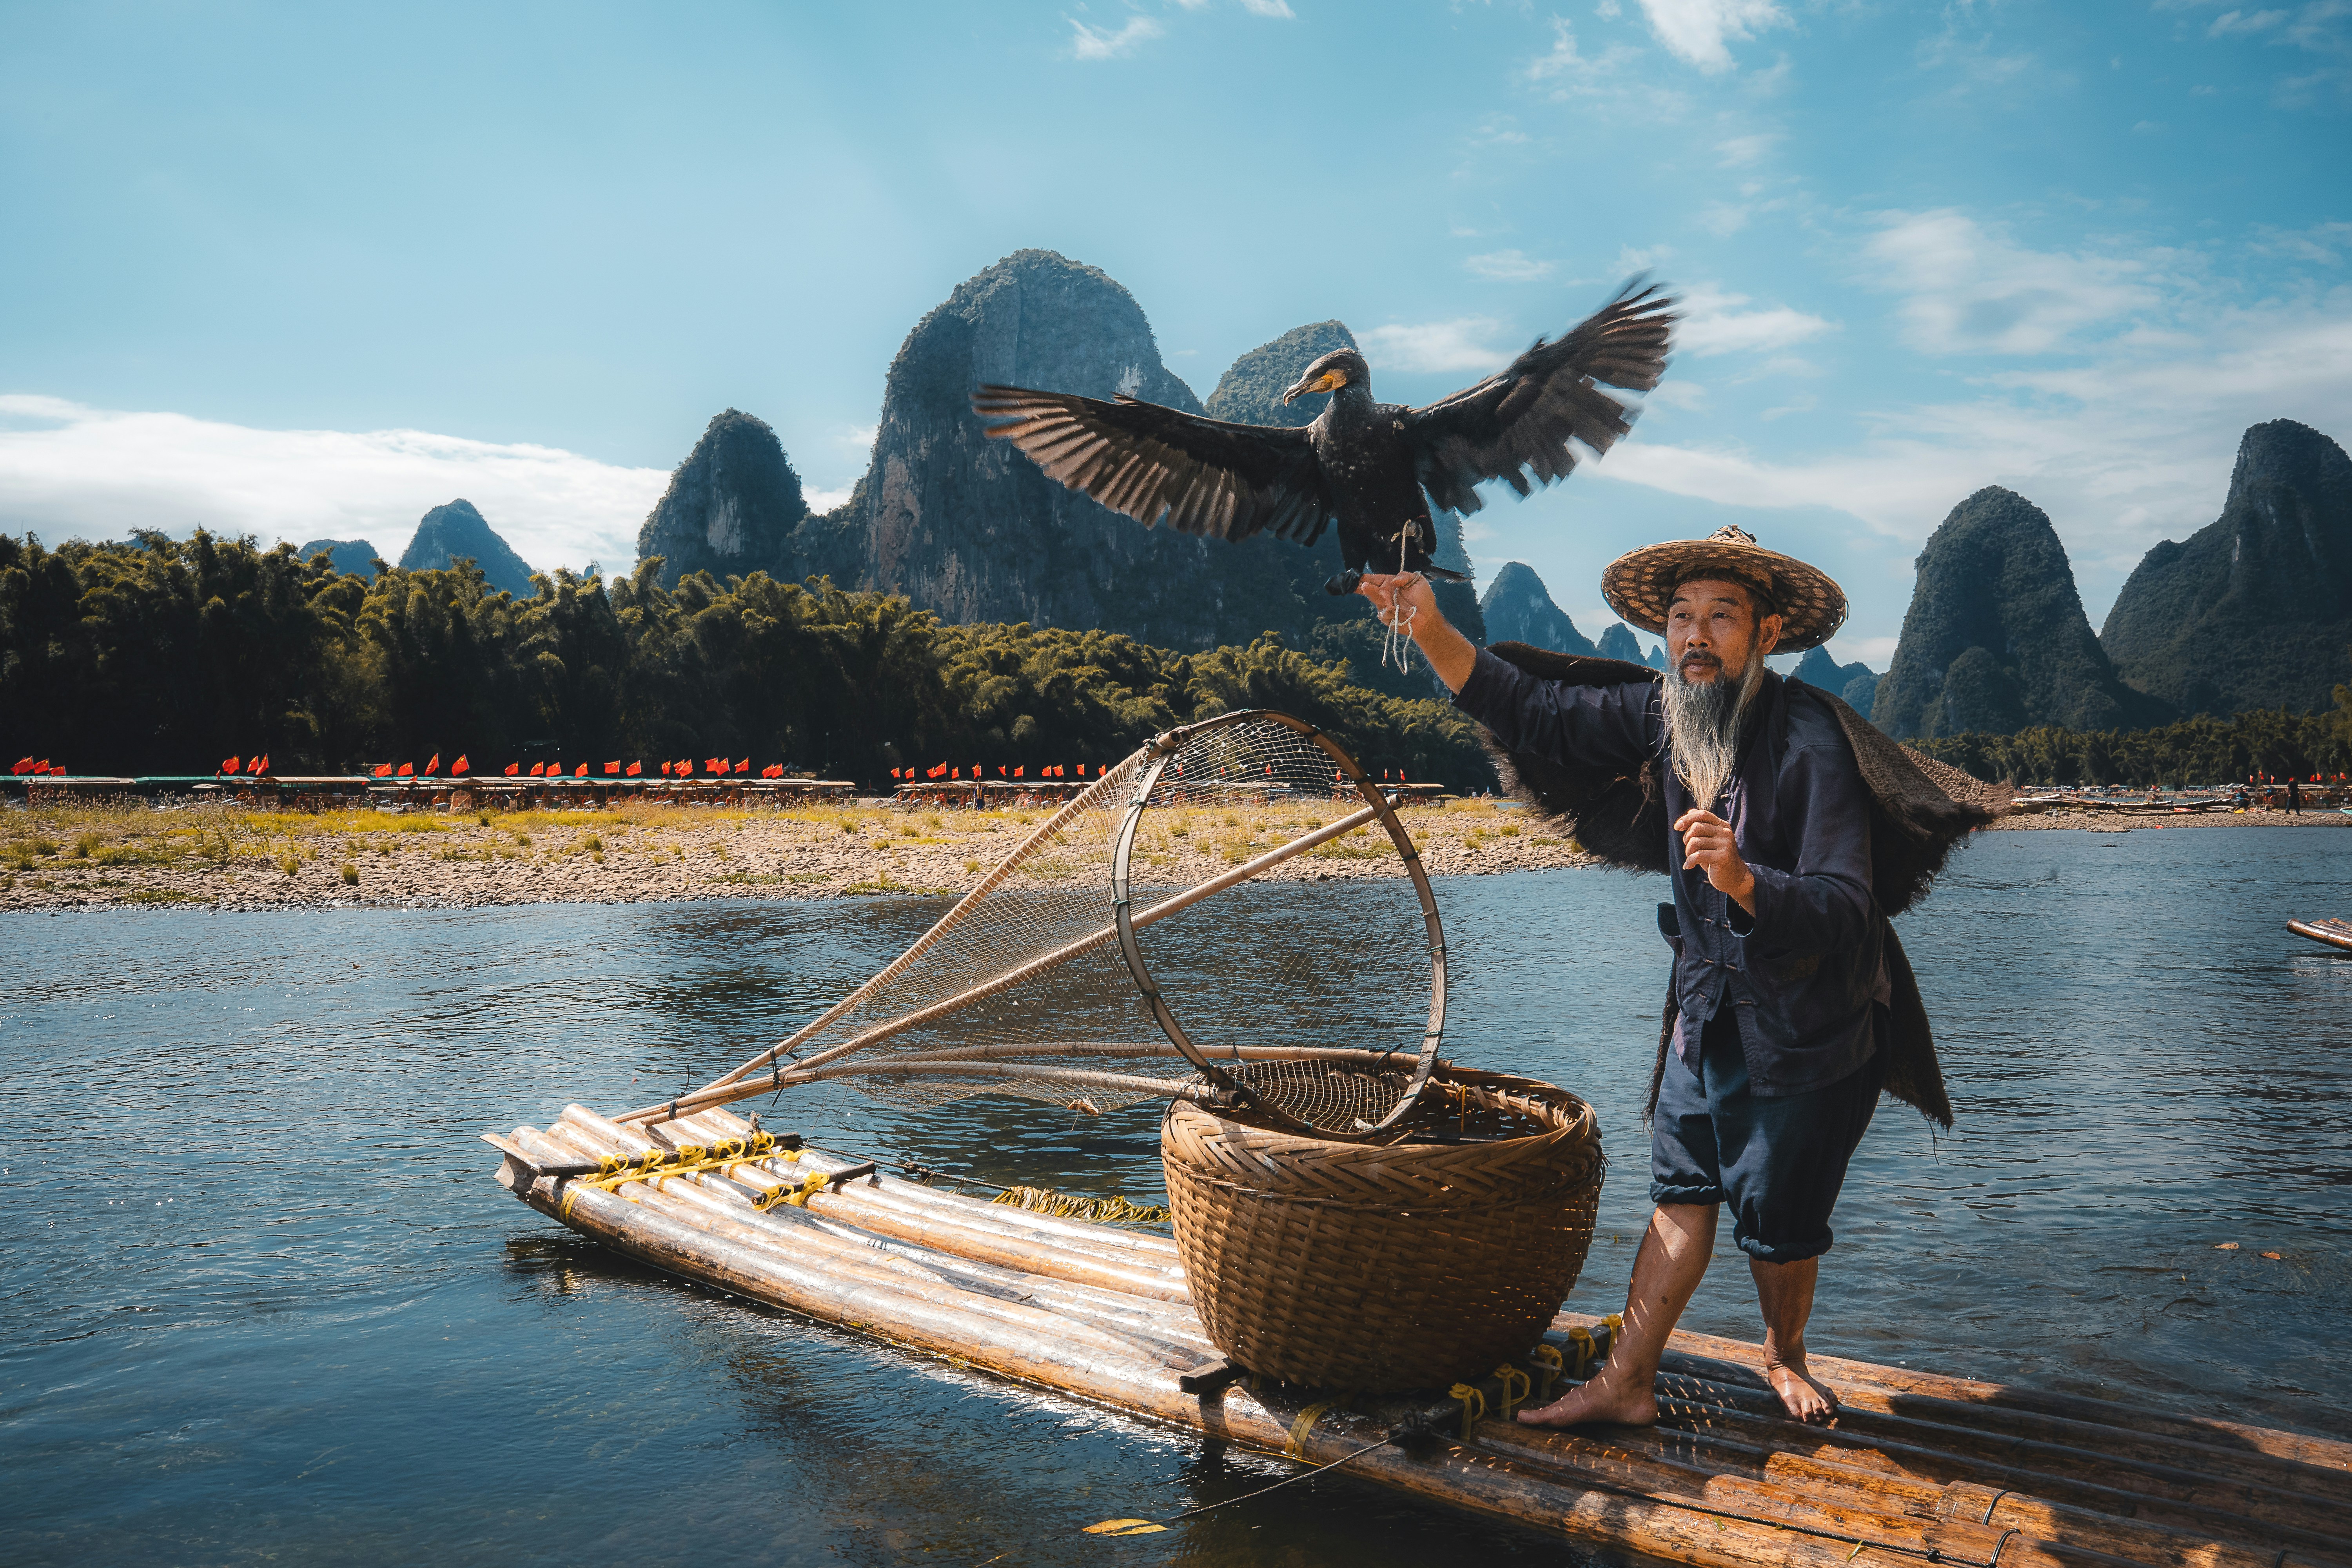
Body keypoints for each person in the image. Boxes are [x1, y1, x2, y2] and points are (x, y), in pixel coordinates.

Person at [1359, 525, 1895, 1428]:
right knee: (1681, 1190)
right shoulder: (1666, 712)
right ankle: (1627, 1379)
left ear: (1766, 632)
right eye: (1682, 616)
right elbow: (1536, 710)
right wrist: (1431, 628)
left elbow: (1850, 903)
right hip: (1706, 1002)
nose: (1695, 635)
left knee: (1781, 1220)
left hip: (1809, 1024)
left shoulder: (1813, 741)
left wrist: (1748, 881)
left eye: (1721, 616)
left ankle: (1783, 1353)